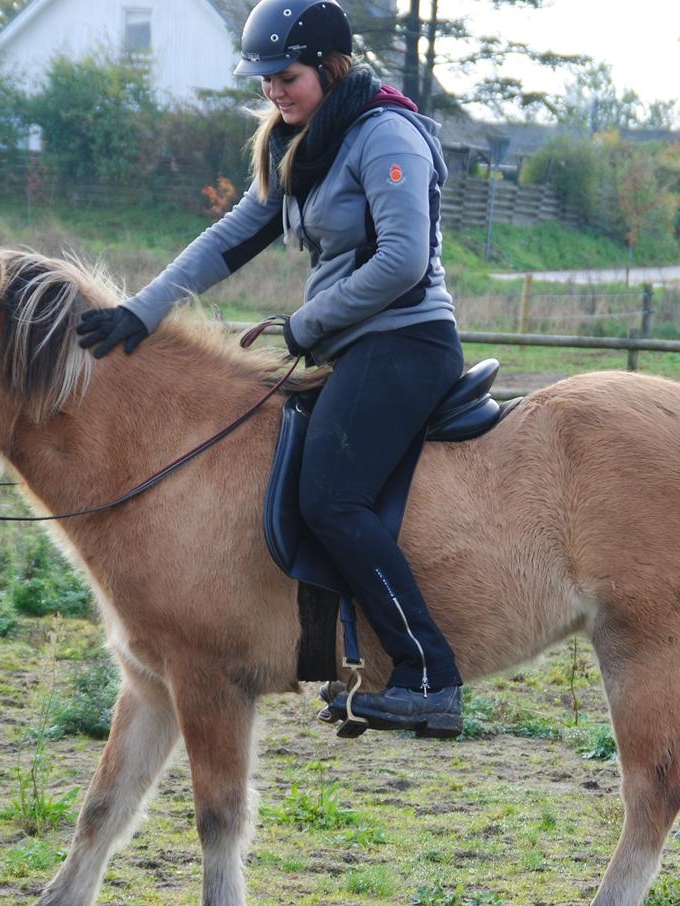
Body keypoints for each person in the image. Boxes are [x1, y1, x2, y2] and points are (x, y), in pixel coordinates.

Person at [76, 0, 464, 736]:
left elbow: (404, 260)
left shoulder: (387, 134)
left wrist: (307, 324)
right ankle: (334, 653)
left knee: (331, 498)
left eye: (287, 77)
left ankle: (428, 675)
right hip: (349, 346)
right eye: (264, 79)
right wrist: (141, 311)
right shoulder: (300, 143)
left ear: (331, 68)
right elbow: (230, 237)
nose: (274, 91)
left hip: (406, 342)